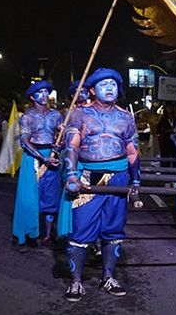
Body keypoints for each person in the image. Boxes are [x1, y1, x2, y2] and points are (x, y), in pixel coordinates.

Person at [60, 68, 140, 302]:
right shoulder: (80, 114)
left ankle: (108, 277)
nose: (109, 88)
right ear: (92, 90)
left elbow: (133, 151)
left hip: (118, 177)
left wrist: (136, 181)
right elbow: (72, 146)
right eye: (103, 84)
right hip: (88, 179)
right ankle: (76, 282)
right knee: (80, 231)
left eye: (113, 84)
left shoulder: (126, 117)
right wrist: (72, 176)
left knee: (114, 230)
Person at [12, 81, 64, 246]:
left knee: (51, 196)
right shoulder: (27, 117)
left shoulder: (56, 115)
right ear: (32, 97)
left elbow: (61, 136)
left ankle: (47, 234)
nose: (44, 95)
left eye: (46, 92)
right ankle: (30, 233)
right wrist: (43, 158)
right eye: (40, 92)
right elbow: (25, 141)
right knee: (30, 197)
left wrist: (59, 143)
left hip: (53, 156)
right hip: (33, 159)